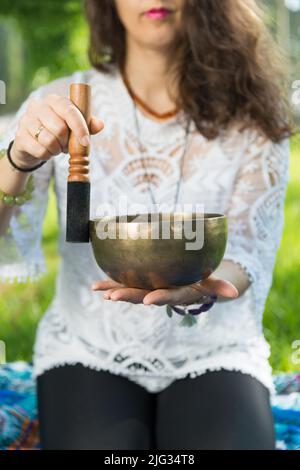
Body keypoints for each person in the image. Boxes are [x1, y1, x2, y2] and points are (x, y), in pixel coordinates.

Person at [0, 0, 293, 450]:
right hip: (89, 347)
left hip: (214, 348)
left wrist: (206, 286)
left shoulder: (252, 115)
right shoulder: (58, 107)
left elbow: (247, 255)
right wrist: (18, 158)